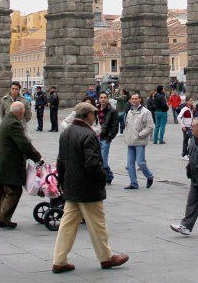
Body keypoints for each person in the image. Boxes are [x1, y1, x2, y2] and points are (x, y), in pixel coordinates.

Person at [52, 102, 128, 274]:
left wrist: (62, 182)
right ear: (88, 115)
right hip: (88, 188)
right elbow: (93, 163)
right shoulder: (88, 134)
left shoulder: (66, 133)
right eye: (94, 114)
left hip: (71, 187)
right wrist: (102, 178)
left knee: (67, 224)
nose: (95, 117)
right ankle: (106, 258)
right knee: (98, 224)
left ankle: (59, 260)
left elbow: (60, 161)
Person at [0, 101, 42, 228]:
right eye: (23, 111)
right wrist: (36, 156)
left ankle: (1, 216)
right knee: (14, 191)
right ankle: (2, 217)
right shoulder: (14, 123)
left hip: (1, 163)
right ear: (21, 112)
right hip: (9, 164)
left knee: (3, 191)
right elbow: (24, 144)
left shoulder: (7, 119)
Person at [123, 92, 155, 190]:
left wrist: (140, 134)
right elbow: (127, 124)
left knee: (140, 162)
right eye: (132, 99)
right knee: (129, 164)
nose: (134, 100)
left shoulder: (145, 112)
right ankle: (134, 183)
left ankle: (149, 176)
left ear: (140, 99)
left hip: (140, 141)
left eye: (136, 98)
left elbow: (150, 126)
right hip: (130, 141)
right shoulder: (129, 112)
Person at [97, 91, 119, 185]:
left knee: (103, 159)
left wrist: (109, 137)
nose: (103, 99)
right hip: (96, 137)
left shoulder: (112, 110)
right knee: (99, 158)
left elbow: (115, 126)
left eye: (105, 97)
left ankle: (104, 177)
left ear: (107, 99)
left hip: (105, 137)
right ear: (99, 99)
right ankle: (109, 176)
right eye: (101, 97)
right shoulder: (95, 109)